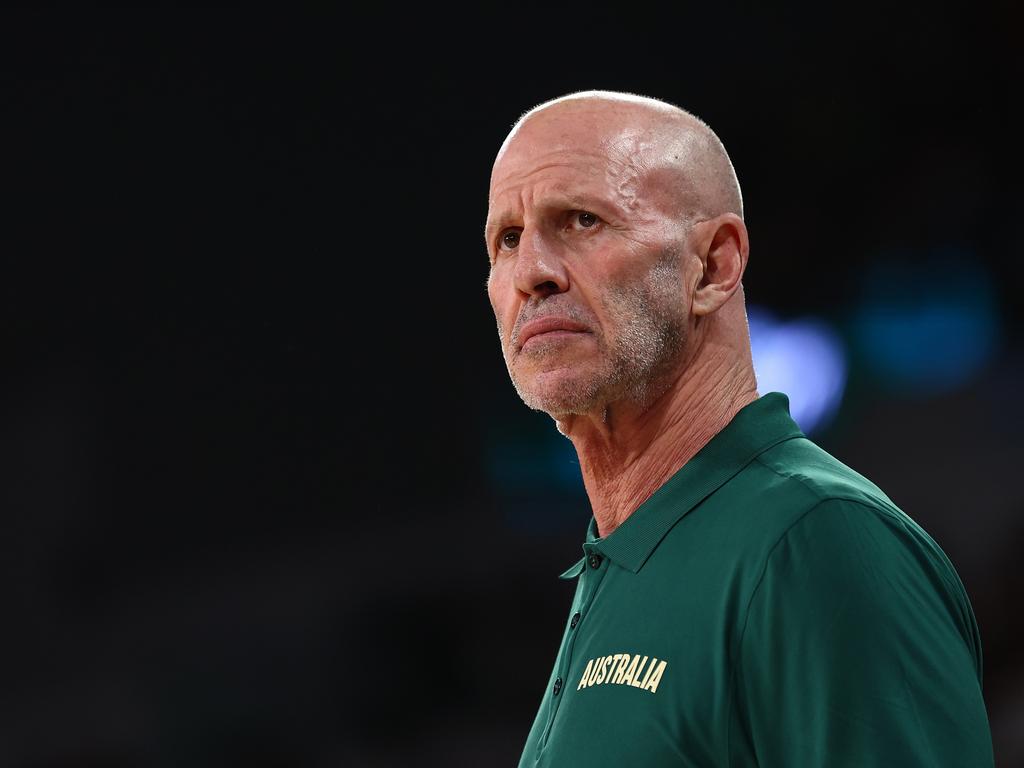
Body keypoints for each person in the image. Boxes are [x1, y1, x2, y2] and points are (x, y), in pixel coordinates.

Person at [484, 90, 994, 767]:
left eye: (582, 220)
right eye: (508, 239)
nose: (531, 273)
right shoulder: (624, 558)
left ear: (715, 265)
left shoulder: (816, 540)